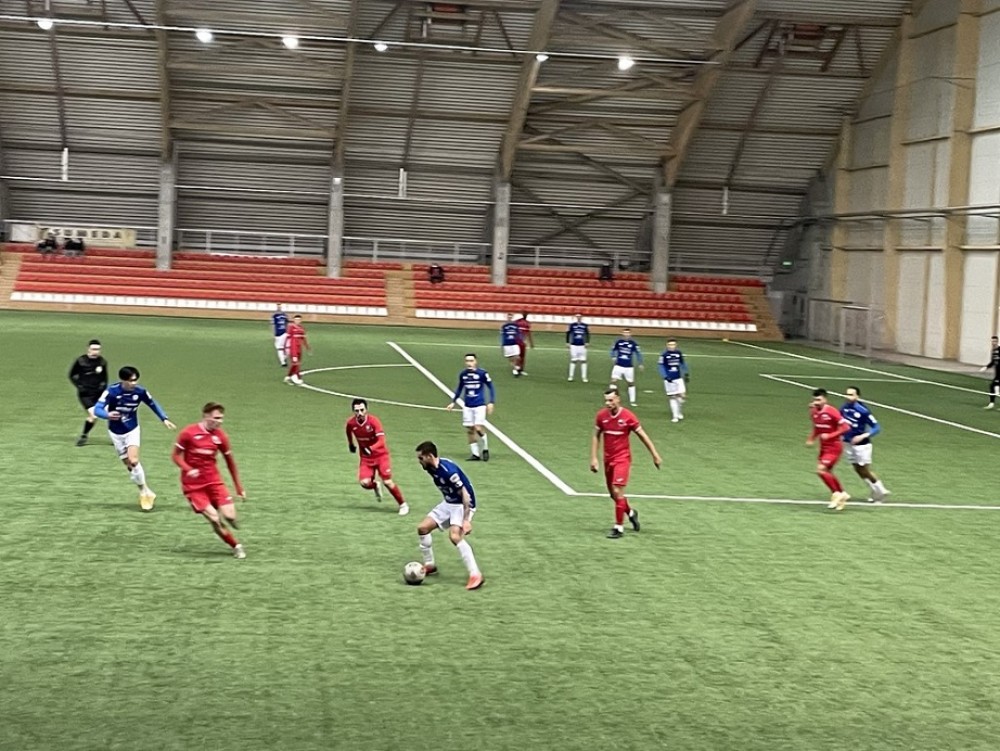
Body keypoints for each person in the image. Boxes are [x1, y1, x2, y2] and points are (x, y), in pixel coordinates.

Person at [93, 366, 176, 511]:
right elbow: (97, 409)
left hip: (132, 430)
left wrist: (164, 418)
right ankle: (146, 490)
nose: (134, 383)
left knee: (134, 460)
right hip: (115, 432)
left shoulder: (140, 391)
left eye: (135, 380)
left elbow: (152, 403)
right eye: (131, 381)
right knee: (130, 466)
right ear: (123, 380)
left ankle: (144, 493)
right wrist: (107, 415)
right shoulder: (111, 391)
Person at [172, 403, 247, 559]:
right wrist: (188, 469)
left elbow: (230, 462)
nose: (220, 422)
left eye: (221, 418)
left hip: (214, 482)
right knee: (214, 518)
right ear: (206, 416)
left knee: (230, 516)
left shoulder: (221, 437)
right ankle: (236, 546)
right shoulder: (188, 433)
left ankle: (229, 520)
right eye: (216, 418)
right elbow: (175, 455)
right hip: (193, 486)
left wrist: (239, 487)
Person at [590, 387, 662, 539]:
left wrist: (655, 455)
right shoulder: (601, 416)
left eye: (611, 400)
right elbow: (596, 435)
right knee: (613, 494)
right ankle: (630, 513)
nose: (608, 403)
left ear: (618, 399)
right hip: (608, 459)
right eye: (606, 401)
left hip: (622, 459)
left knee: (617, 490)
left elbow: (643, 436)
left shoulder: (628, 417)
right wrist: (594, 458)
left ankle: (618, 527)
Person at [414, 440, 484, 590]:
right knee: (422, 528)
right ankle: (430, 565)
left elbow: (465, 495)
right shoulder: (431, 467)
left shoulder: (448, 472)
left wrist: (466, 520)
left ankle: (475, 574)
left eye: (421, 458)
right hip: (449, 502)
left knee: (455, 536)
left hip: (463, 504)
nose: (419, 461)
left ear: (429, 456)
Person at [345, 398, 409, 515]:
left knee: (388, 482)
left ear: (366, 410)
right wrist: (351, 444)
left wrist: (371, 448)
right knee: (364, 483)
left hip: (381, 456)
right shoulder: (351, 423)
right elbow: (348, 432)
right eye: (357, 411)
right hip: (366, 458)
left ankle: (403, 504)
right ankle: (375, 485)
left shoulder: (374, 421)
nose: (359, 413)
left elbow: (381, 440)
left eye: (362, 410)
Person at [840, 386, 891, 503]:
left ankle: (882, 491)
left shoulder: (863, 410)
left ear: (857, 396)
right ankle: (874, 490)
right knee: (857, 469)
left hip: (862, 445)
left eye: (851, 394)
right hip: (848, 443)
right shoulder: (844, 408)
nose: (848, 397)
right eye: (847, 394)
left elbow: (876, 427)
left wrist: (863, 436)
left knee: (865, 469)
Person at [805, 388, 851, 511]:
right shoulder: (813, 411)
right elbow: (817, 427)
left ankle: (836, 494)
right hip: (824, 447)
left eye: (819, 400)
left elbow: (846, 427)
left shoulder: (832, 411)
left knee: (821, 470)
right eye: (815, 400)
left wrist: (830, 436)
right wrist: (811, 438)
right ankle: (842, 494)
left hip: (834, 446)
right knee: (828, 472)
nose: (816, 402)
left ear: (825, 399)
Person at [446, 353, 496, 462]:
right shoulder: (463, 374)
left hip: (479, 405)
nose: (469, 363)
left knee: (478, 428)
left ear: (475, 362)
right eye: (467, 361)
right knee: (470, 429)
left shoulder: (482, 373)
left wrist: (491, 402)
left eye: (471, 361)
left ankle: (485, 448)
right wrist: (453, 402)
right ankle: (475, 454)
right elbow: (460, 388)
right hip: (468, 406)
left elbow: (491, 387)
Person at [69, 339, 109, 446]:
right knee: (94, 415)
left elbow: (105, 378)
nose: (95, 351)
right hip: (85, 395)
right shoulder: (81, 361)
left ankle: (118, 437)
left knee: (111, 414)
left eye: (98, 349)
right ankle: (84, 435)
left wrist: (103, 387)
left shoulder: (102, 362)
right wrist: (79, 386)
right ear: (88, 349)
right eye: (93, 349)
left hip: (98, 394)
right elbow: (72, 375)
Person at [657, 338, 689, 423]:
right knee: (672, 397)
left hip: (678, 378)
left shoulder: (678, 353)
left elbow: (683, 363)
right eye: (670, 345)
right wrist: (665, 376)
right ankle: (675, 416)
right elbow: (661, 366)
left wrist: (686, 373)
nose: (671, 346)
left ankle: (679, 411)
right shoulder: (663, 355)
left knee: (682, 396)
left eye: (673, 344)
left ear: (676, 345)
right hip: (669, 379)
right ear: (667, 345)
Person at [609, 328, 644, 406]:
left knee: (630, 383)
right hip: (618, 365)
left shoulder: (633, 344)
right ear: (622, 334)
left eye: (628, 333)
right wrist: (613, 356)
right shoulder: (618, 342)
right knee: (613, 381)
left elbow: (638, 353)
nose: (626, 334)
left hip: (629, 367)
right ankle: (612, 399)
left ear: (630, 334)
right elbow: (612, 349)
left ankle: (632, 401)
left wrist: (640, 363)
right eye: (625, 333)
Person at [283, 314, 311, 385]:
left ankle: (288, 377)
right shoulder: (291, 327)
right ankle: (296, 377)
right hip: (293, 348)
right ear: (294, 320)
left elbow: (304, 339)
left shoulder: (302, 328)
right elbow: (287, 338)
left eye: (299, 320)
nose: (297, 321)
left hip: (299, 348)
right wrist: (285, 348)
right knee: (295, 362)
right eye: (296, 320)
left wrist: (308, 348)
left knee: (297, 363)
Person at [566, 313, 590, 383]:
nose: (578, 318)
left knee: (583, 360)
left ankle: (584, 377)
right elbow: (568, 333)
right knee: (573, 360)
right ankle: (571, 376)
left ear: (582, 317)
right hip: (574, 345)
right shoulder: (572, 325)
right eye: (577, 316)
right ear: (575, 317)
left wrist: (587, 342)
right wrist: (567, 342)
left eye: (580, 316)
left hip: (582, 345)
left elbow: (587, 334)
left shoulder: (585, 325)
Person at [979, 335, 1000, 409]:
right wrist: (986, 367)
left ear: (997, 341)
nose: (993, 343)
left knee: (993, 385)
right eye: (992, 341)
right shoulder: (994, 351)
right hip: (997, 372)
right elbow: (993, 362)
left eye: (995, 341)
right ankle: (991, 403)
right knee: (992, 386)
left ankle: (992, 403)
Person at [271, 303, 289, 367]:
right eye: (278, 307)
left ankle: (283, 361)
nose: (279, 308)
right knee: (283, 348)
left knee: (281, 348)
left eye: (280, 307)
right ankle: (283, 359)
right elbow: (273, 325)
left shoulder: (284, 315)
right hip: (278, 334)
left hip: (284, 333)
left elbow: (287, 324)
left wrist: (288, 331)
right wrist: (273, 333)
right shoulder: (274, 316)